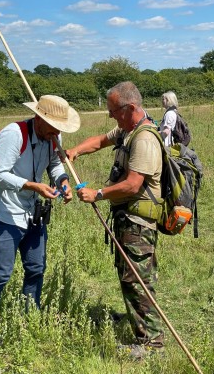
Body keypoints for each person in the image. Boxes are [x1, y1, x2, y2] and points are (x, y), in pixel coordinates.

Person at [65, 81, 164, 359]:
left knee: (138, 279)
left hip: (138, 222)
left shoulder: (144, 139)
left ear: (130, 107)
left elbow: (133, 185)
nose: (110, 115)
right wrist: (75, 151)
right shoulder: (127, 129)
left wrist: (97, 193)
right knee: (128, 275)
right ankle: (137, 320)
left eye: (113, 110)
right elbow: (100, 140)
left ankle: (152, 344)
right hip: (125, 218)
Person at [0, 95, 80, 354]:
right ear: (39, 118)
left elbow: (55, 165)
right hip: (5, 212)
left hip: (32, 212)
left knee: (36, 267)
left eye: (60, 129)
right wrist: (33, 185)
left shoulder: (52, 136)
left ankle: (29, 316)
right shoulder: (14, 134)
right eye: (53, 127)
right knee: (0, 273)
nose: (57, 133)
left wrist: (63, 183)